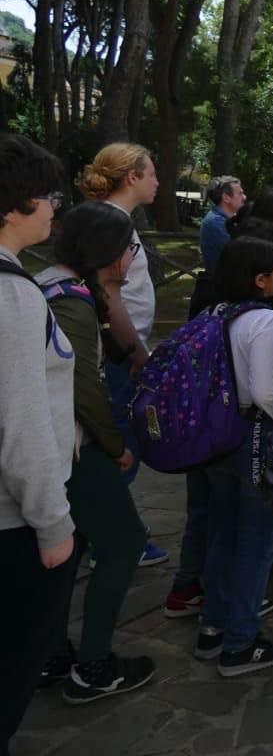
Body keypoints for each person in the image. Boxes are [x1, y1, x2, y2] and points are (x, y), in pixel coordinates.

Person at [35, 202, 155, 702]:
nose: (131, 259)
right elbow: (83, 387)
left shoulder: (51, 283)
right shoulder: (71, 301)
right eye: (129, 248)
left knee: (74, 549)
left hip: (58, 451)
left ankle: (49, 653)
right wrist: (116, 446)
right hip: (75, 454)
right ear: (109, 253)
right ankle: (94, 666)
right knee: (125, 544)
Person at [0, 134, 78, 750]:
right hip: (14, 528)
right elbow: (22, 425)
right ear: (11, 206)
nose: (55, 208)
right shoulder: (13, 297)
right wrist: (53, 527)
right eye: (46, 197)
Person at [196, 237, 273, 677]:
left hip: (217, 436)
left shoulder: (214, 312)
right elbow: (265, 391)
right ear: (260, 280)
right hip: (257, 433)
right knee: (256, 542)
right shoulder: (265, 320)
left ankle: (213, 626)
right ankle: (240, 643)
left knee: (225, 531)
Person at [76, 142, 167, 567]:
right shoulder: (114, 224)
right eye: (151, 174)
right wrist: (137, 354)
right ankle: (107, 539)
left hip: (112, 353)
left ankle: (99, 533)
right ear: (132, 176)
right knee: (121, 449)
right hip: (116, 355)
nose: (157, 182)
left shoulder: (111, 221)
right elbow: (111, 298)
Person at [191, 176, 247, 317]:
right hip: (219, 292)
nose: (244, 197)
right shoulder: (216, 222)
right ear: (226, 198)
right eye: (239, 193)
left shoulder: (225, 220)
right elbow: (242, 254)